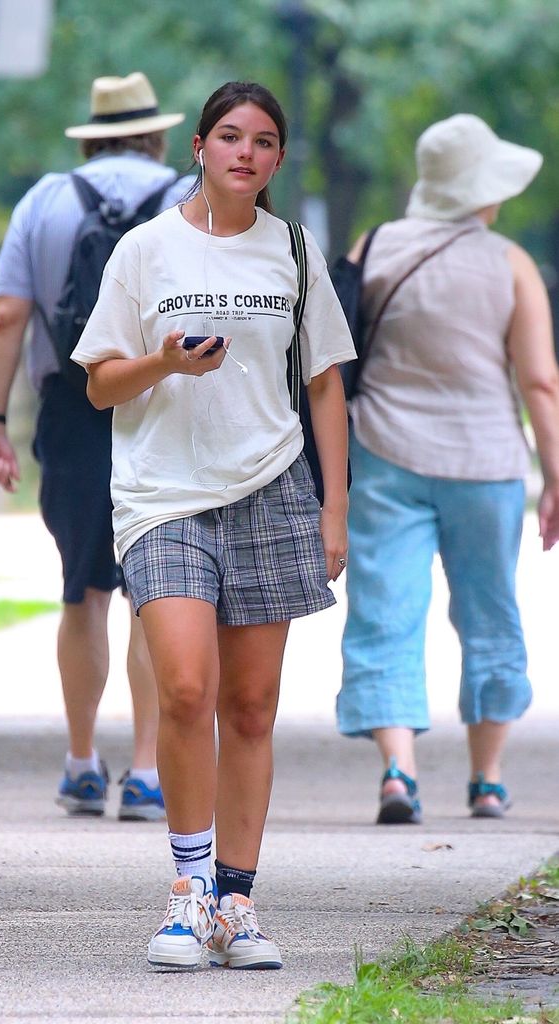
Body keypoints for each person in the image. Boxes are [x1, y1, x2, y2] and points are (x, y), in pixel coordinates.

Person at [71, 81, 355, 969]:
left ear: (275, 159)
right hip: (162, 495)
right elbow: (98, 384)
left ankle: (237, 902)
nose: (245, 153)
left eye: (264, 141)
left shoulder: (295, 253)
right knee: (186, 689)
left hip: (271, 487)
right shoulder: (144, 251)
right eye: (229, 136)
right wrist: (160, 362)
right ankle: (188, 891)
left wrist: (333, 506)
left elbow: (324, 385)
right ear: (196, 146)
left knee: (251, 705)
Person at [0, 72, 194, 821]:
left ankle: (79, 765)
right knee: (153, 588)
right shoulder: (186, 197)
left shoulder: (44, 199)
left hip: (71, 408)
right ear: (157, 133)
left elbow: (7, 317)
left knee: (83, 589)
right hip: (164, 402)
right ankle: (145, 773)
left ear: (91, 135)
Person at [336, 114, 559, 825]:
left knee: (384, 612)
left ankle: (398, 771)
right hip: (483, 461)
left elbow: (337, 353)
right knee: (488, 610)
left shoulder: (371, 247)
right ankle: (486, 778)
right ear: (482, 190)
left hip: (382, 455)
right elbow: (539, 382)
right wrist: (553, 474)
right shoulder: (508, 263)